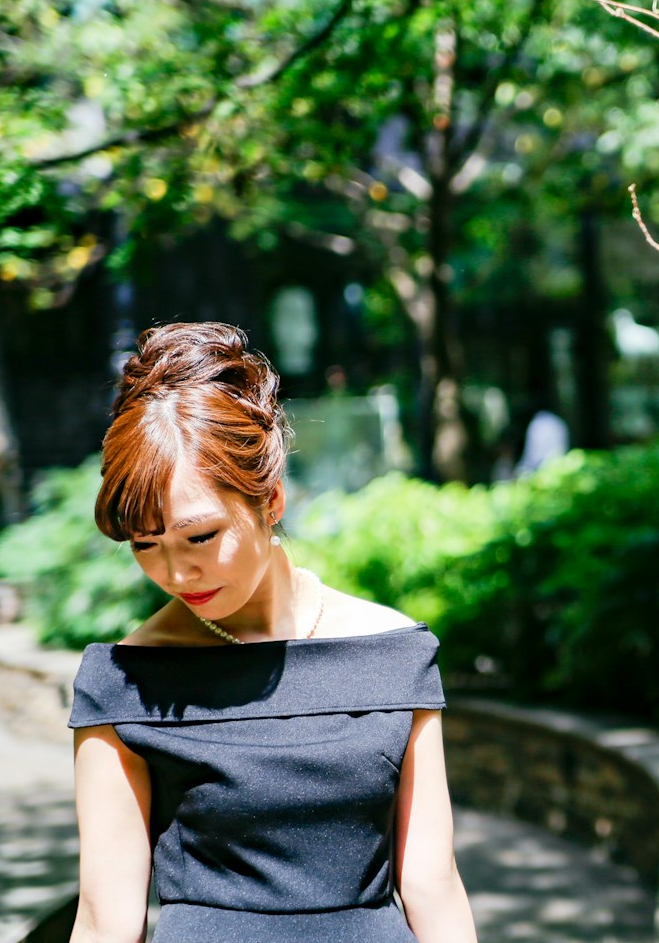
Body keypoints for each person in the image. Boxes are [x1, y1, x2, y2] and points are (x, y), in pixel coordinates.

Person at [65, 322, 476, 943]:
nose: (176, 572)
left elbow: (433, 883)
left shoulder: (394, 654)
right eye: (146, 545)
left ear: (272, 500)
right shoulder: (125, 680)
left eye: (199, 535)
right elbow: (105, 920)